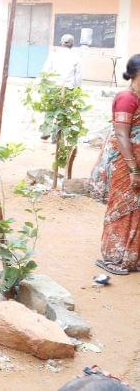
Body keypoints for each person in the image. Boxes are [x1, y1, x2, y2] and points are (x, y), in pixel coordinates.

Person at [93, 54, 140, 275]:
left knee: (137, 210)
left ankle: (132, 258)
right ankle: (113, 258)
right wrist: (133, 169)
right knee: (122, 208)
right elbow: (122, 135)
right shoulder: (126, 98)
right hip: (125, 163)